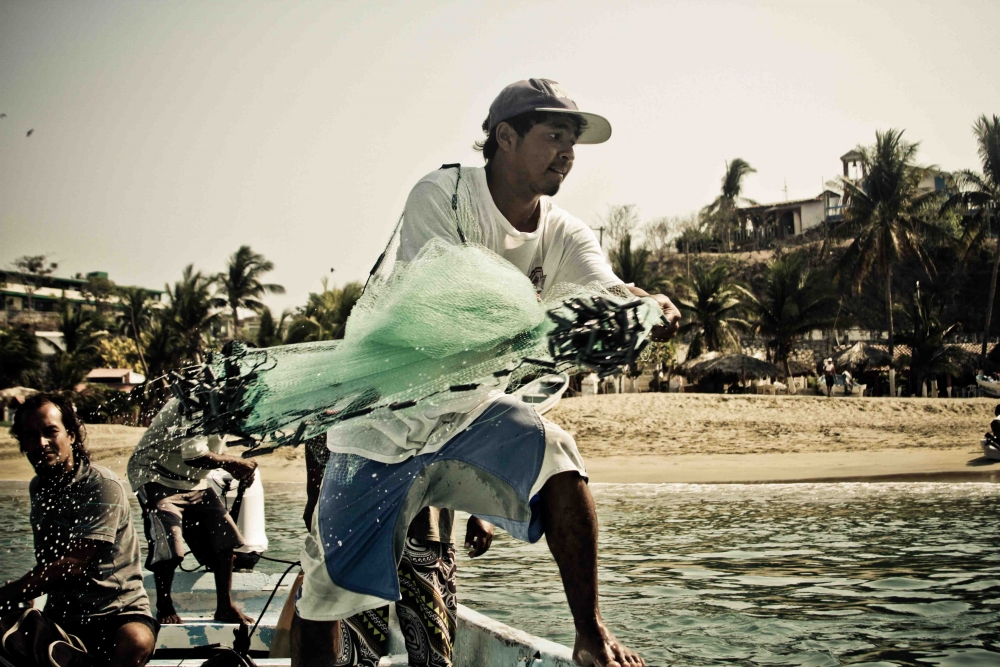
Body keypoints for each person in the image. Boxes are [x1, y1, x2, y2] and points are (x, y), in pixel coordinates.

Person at [291, 78, 681, 667]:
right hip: (384, 424)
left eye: (574, 141)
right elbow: (447, 303)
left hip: (469, 417)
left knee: (558, 456)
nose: (568, 153)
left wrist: (644, 304)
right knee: (326, 598)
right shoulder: (442, 195)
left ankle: (590, 635)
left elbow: (607, 287)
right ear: (505, 137)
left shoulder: (564, 231)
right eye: (554, 136)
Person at [302, 436, 491, 666]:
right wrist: (314, 494)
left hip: (425, 526)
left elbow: (472, 426)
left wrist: (483, 509)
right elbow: (321, 426)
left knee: (433, 654)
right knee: (354, 654)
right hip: (362, 528)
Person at [1, 393, 158, 666]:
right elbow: (48, 559)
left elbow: (74, 563)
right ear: (23, 444)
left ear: (71, 436)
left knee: (137, 640)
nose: (41, 443)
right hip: (62, 617)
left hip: (118, 613)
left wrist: (13, 591)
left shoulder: (102, 484)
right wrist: (26, 597)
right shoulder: (38, 487)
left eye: (51, 432)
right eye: (30, 436)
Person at [127, 399, 257, 625]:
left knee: (226, 538)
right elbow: (194, 455)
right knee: (170, 543)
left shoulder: (228, 404)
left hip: (193, 481)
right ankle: (164, 605)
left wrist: (236, 467)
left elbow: (212, 450)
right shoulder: (193, 401)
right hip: (154, 474)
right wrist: (235, 463)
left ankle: (225, 607)